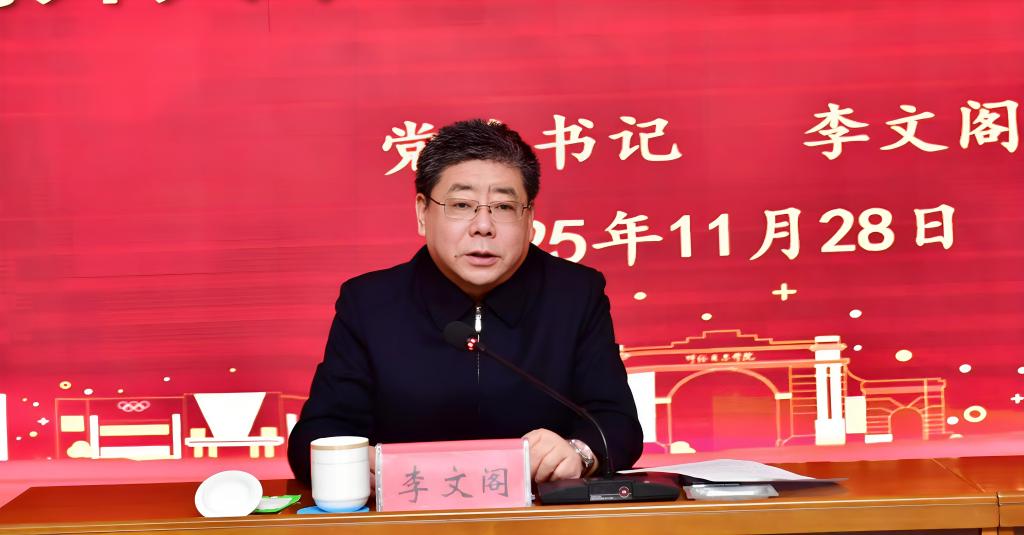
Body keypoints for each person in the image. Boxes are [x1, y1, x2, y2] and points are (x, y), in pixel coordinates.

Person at [287, 119, 643, 486]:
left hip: (539, 511)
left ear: (530, 217)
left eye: (503, 207)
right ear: (422, 212)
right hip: (409, 511)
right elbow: (315, 435)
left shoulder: (575, 294)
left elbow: (616, 423)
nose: (483, 226)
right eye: (461, 204)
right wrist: (350, 462)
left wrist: (579, 452)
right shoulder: (369, 303)